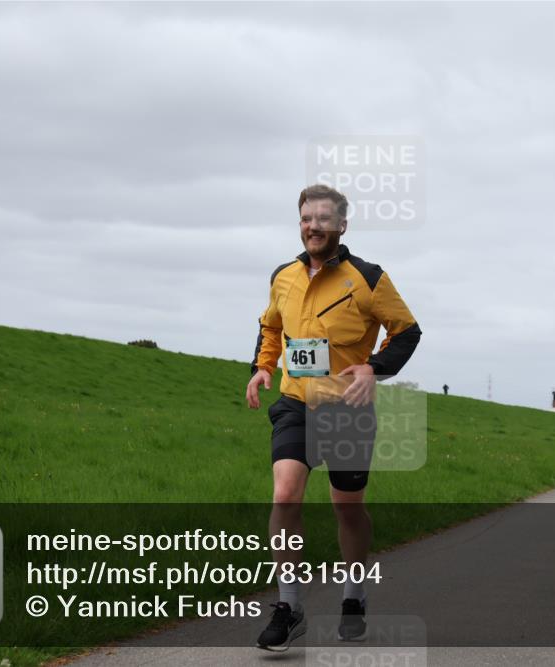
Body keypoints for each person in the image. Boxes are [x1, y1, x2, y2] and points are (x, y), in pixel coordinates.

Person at [246, 184, 422, 651]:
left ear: (342, 225)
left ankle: (354, 595)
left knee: (347, 507)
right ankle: (288, 606)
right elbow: (271, 325)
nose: (313, 226)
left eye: (323, 219)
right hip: (296, 403)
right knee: (285, 493)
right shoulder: (283, 276)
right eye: (306, 218)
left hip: (347, 408)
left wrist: (373, 367)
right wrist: (263, 367)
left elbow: (406, 332)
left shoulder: (368, 277)